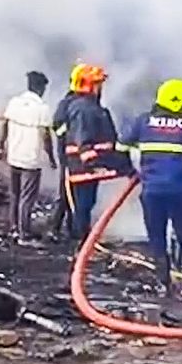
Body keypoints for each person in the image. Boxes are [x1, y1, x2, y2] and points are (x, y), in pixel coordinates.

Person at [119, 79, 182, 297]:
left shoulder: (143, 121)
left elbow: (121, 146)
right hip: (180, 192)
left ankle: (164, 285)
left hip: (152, 192)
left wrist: (130, 171)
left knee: (157, 239)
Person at [60, 64, 130, 244]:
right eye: (98, 84)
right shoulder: (84, 109)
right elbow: (83, 140)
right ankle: (82, 246)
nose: (101, 88)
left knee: (87, 205)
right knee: (83, 207)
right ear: (89, 85)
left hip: (88, 168)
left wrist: (120, 164)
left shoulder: (89, 107)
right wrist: (93, 163)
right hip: (84, 168)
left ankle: (84, 244)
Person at [0, 71, 55, 246]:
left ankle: (14, 228)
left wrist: (1, 147)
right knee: (27, 197)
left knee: (15, 194)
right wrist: (52, 158)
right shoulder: (42, 108)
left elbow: (5, 125)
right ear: (41, 88)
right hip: (31, 159)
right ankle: (24, 234)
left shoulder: (14, 102)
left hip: (14, 155)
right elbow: (46, 137)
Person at [47, 64, 84, 242]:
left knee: (75, 194)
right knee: (66, 193)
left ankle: (72, 228)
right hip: (69, 157)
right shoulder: (68, 103)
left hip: (77, 157)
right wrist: (70, 139)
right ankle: (55, 227)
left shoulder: (81, 102)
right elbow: (58, 126)